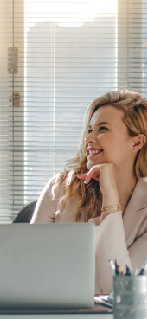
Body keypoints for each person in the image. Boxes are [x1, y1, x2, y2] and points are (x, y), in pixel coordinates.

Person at [31, 90, 147, 295]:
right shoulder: (60, 188)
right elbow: (28, 262)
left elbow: (120, 289)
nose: (89, 139)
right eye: (89, 130)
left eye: (102, 129)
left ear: (136, 142)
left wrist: (110, 196)